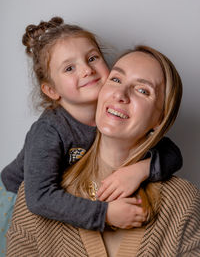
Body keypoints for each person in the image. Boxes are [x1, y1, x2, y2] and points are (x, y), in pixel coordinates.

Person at [1, 17, 181, 251]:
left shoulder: (112, 114)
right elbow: (39, 198)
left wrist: (139, 170)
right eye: (69, 68)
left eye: (93, 58)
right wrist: (105, 215)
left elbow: (172, 153)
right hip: (16, 200)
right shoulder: (49, 130)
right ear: (51, 90)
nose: (86, 70)